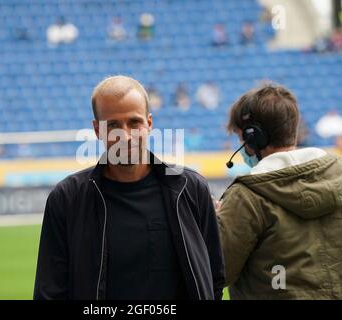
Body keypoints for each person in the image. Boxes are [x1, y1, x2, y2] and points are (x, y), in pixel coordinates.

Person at [34, 75, 225, 300]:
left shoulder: (191, 189)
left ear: (149, 124)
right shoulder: (66, 199)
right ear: (97, 130)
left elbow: (213, 279)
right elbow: (50, 292)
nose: (125, 136)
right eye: (113, 125)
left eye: (134, 122)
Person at [217, 85, 342, 299]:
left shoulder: (247, 196)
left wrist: (215, 223)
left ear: (253, 137)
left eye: (241, 137)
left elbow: (217, 272)